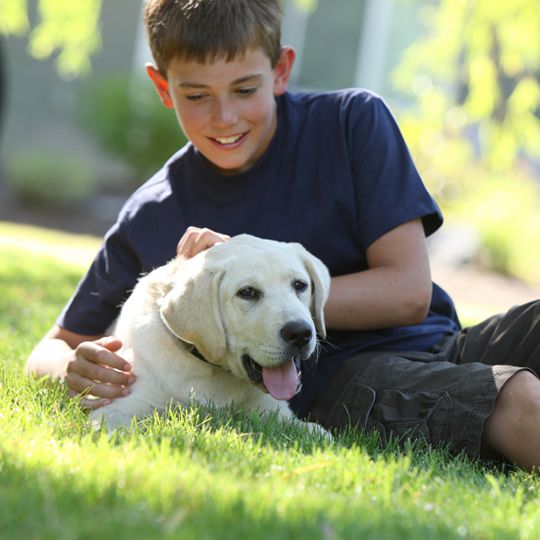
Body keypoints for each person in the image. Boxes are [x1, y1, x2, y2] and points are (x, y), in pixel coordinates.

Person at [26, 0, 540, 469]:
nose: (223, 117)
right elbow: (48, 350)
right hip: (339, 377)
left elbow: (408, 294)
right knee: (520, 401)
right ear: (163, 88)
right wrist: (75, 365)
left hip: (447, 342)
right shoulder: (155, 213)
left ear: (281, 70)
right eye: (196, 94)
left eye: (245, 89)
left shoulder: (352, 122)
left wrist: (260, 289)